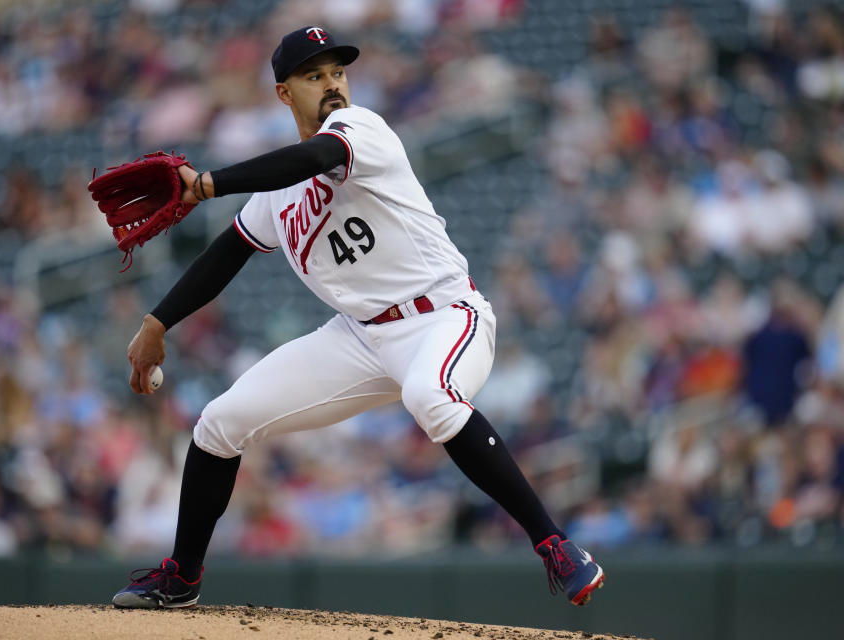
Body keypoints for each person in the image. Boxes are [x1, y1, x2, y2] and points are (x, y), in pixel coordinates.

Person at [111, 26, 605, 610]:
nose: (332, 85)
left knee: (430, 394)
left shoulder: (359, 128)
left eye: (337, 73)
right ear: (282, 94)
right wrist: (157, 322)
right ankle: (181, 578)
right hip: (361, 337)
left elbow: (315, 156)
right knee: (219, 423)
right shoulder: (276, 193)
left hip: (444, 316)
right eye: (314, 76)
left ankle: (554, 544)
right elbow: (228, 253)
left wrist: (211, 183)